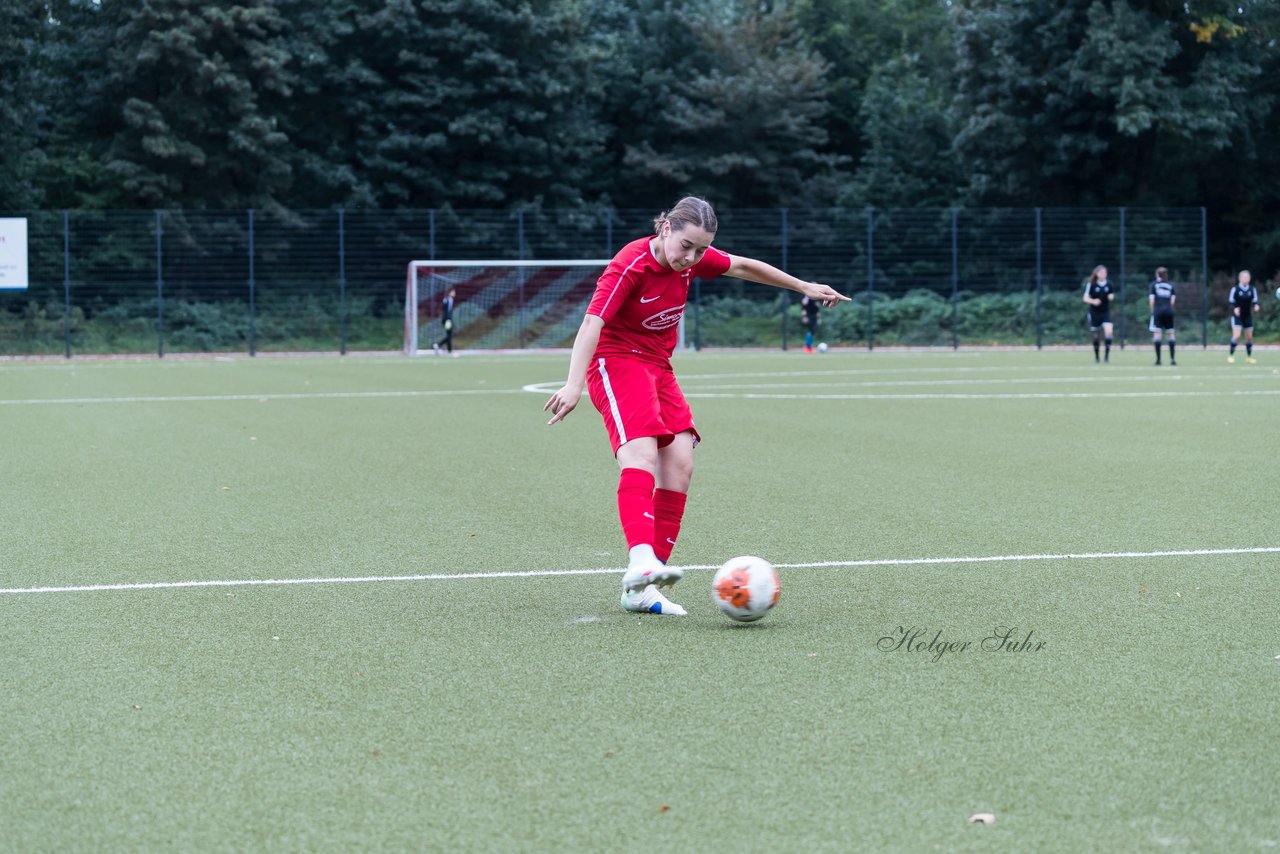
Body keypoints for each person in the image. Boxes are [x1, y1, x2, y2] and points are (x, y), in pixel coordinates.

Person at [543, 196, 849, 616]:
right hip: (615, 361)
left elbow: (742, 265)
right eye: (686, 246)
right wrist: (573, 384)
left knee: (681, 461)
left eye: (701, 250)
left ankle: (643, 590)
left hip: (657, 366)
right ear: (665, 228)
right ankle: (640, 561)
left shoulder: (693, 258)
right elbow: (592, 323)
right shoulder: (631, 264)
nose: (692, 258)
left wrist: (805, 287)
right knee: (641, 453)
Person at [1083, 265, 1114, 363]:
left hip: (1105, 312)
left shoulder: (1109, 284)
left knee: (1109, 332)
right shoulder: (1091, 284)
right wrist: (1093, 301)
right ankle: (1097, 357)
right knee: (1096, 335)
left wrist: (1111, 297)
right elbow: (1085, 298)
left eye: (1105, 272)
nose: (1103, 274)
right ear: (1096, 273)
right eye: (1101, 272)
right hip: (1094, 313)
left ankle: (1106, 357)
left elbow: (1112, 294)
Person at [1227, 271, 1260, 364]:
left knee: (1249, 338)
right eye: (1244, 277)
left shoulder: (1252, 289)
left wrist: (1256, 307)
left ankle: (1249, 358)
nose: (1245, 279)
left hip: (1247, 316)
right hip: (1237, 316)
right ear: (1240, 278)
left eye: (1247, 277)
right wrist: (1235, 309)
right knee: (1236, 336)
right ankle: (1231, 356)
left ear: (1249, 279)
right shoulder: (1235, 289)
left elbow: (1255, 302)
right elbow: (1231, 303)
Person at [1149, 267, 1176, 366]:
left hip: (1158, 311)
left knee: (1157, 334)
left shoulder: (1154, 285)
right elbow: (1172, 301)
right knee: (1170, 333)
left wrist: (1153, 312)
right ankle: (1172, 359)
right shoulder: (1170, 285)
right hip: (1169, 311)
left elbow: (1152, 300)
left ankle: (1158, 360)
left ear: (1157, 275)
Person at [433, 288, 457, 356]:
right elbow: (446, 311)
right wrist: (448, 319)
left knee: (449, 335)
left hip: (448, 319)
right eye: (453, 292)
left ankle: (446, 349)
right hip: (447, 320)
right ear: (450, 292)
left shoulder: (449, 299)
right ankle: (438, 345)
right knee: (449, 335)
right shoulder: (448, 299)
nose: (454, 293)